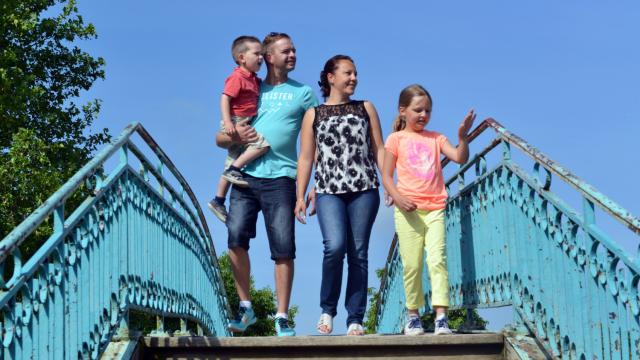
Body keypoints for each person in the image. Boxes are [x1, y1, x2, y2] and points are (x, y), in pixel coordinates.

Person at [215, 32, 318, 337]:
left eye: (295, 50)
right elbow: (219, 137)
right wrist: (236, 136)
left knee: (283, 248)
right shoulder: (248, 87)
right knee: (235, 240)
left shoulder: (304, 93)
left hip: (283, 178)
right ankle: (245, 308)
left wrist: (313, 185)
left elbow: (318, 143)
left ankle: (282, 315)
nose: (293, 55)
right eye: (287, 51)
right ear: (269, 57)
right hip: (245, 177)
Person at [295, 55, 386, 336]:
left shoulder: (366, 108)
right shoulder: (314, 114)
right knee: (334, 247)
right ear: (330, 77)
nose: (354, 78)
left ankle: (355, 317)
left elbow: (379, 150)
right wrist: (300, 195)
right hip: (328, 191)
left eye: (356, 73)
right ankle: (327, 309)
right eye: (348, 73)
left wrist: (390, 185)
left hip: (364, 189)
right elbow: (307, 158)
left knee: (358, 253)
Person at [381, 84, 475, 335]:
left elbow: (459, 157)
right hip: (408, 210)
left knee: (438, 261)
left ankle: (441, 317)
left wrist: (463, 137)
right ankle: (413, 316)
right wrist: (398, 197)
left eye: (428, 111)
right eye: (418, 110)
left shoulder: (436, 138)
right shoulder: (396, 139)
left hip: (435, 208)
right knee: (412, 264)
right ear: (403, 111)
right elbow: (387, 176)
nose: (423, 115)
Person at [208, 35, 270, 223]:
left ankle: (218, 200)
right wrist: (228, 122)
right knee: (262, 145)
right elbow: (225, 98)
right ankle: (235, 169)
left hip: (242, 120)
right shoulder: (238, 76)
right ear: (242, 58)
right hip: (236, 121)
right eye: (257, 54)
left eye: (262, 54)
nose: (261, 58)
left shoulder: (253, 79)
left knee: (231, 159)